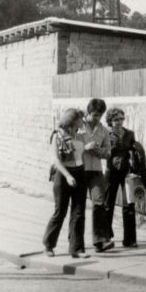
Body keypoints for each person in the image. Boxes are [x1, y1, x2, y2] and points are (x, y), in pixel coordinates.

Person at [43, 107, 88, 258]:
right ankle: (49, 245)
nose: (83, 121)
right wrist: (68, 176)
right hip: (63, 174)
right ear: (72, 120)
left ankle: (76, 249)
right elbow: (56, 160)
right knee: (60, 211)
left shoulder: (81, 135)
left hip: (80, 172)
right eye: (81, 119)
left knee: (79, 212)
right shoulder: (58, 135)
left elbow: (81, 154)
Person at [104, 106, 146, 248]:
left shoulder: (129, 134)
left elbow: (134, 152)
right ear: (110, 121)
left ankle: (130, 239)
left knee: (129, 204)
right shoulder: (106, 134)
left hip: (126, 172)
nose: (119, 122)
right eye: (116, 119)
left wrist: (137, 164)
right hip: (111, 172)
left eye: (121, 119)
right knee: (108, 204)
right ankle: (105, 237)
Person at [81, 98, 113, 252]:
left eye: (100, 115)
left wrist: (98, 151)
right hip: (79, 169)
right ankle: (75, 242)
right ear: (88, 112)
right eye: (94, 115)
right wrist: (85, 147)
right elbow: (69, 146)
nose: (97, 118)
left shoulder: (104, 130)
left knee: (99, 203)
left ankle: (99, 241)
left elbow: (108, 153)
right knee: (78, 207)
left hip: (96, 171)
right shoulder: (78, 126)